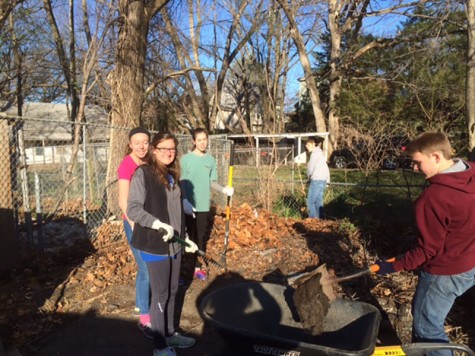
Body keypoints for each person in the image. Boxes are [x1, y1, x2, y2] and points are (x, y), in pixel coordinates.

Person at [375, 132, 475, 356]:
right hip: (470, 262)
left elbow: (428, 250)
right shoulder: (471, 173)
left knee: (427, 328)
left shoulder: (434, 197)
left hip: (445, 272)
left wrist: (393, 266)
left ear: (437, 157)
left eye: (418, 162)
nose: (414, 169)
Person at [127, 132, 198, 356]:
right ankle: (159, 346)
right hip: (153, 244)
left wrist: (184, 237)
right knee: (160, 294)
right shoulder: (143, 174)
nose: (168, 152)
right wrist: (156, 223)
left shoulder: (171, 175)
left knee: (173, 289)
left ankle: (169, 333)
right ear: (153, 150)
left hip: (174, 243)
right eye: (163, 148)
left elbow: (175, 212)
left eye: (172, 149)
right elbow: (133, 209)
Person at [180, 128, 234, 280]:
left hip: (203, 205)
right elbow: (182, 181)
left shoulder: (210, 160)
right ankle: (184, 268)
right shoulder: (186, 159)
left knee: (200, 236)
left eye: (205, 139)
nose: (203, 143)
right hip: (188, 205)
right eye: (200, 140)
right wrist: (184, 199)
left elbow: (211, 182)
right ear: (193, 141)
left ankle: (197, 267)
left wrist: (224, 190)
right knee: (188, 237)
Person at [117, 127, 152, 337]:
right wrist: (134, 225)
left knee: (145, 266)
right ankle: (145, 319)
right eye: (137, 142)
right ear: (130, 144)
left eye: (145, 142)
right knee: (146, 266)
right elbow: (123, 201)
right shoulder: (127, 164)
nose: (141, 146)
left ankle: (141, 303)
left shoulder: (148, 162)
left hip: (149, 222)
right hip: (134, 223)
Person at [305, 136, 330, 219]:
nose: (306, 146)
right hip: (323, 180)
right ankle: (322, 219)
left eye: (308, 145)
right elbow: (326, 168)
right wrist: (327, 181)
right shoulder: (321, 154)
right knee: (319, 201)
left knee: (310, 202)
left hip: (316, 180)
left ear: (313, 144)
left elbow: (310, 168)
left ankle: (313, 219)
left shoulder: (315, 154)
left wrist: (308, 175)